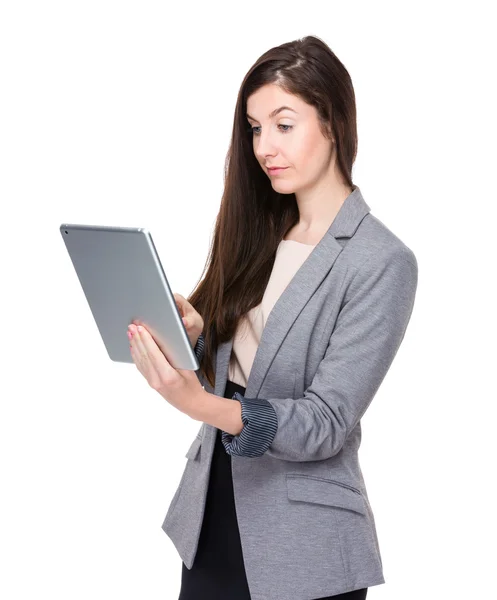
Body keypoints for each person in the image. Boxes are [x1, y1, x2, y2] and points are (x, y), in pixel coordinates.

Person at [128, 34, 418, 600]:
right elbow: (249, 359)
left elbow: (326, 422)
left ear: (332, 123)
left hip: (303, 539)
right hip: (211, 512)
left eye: (284, 124)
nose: (265, 146)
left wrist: (200, 404)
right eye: (256, 128)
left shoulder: (381, 261)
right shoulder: (261, 230)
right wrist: (198, 331)